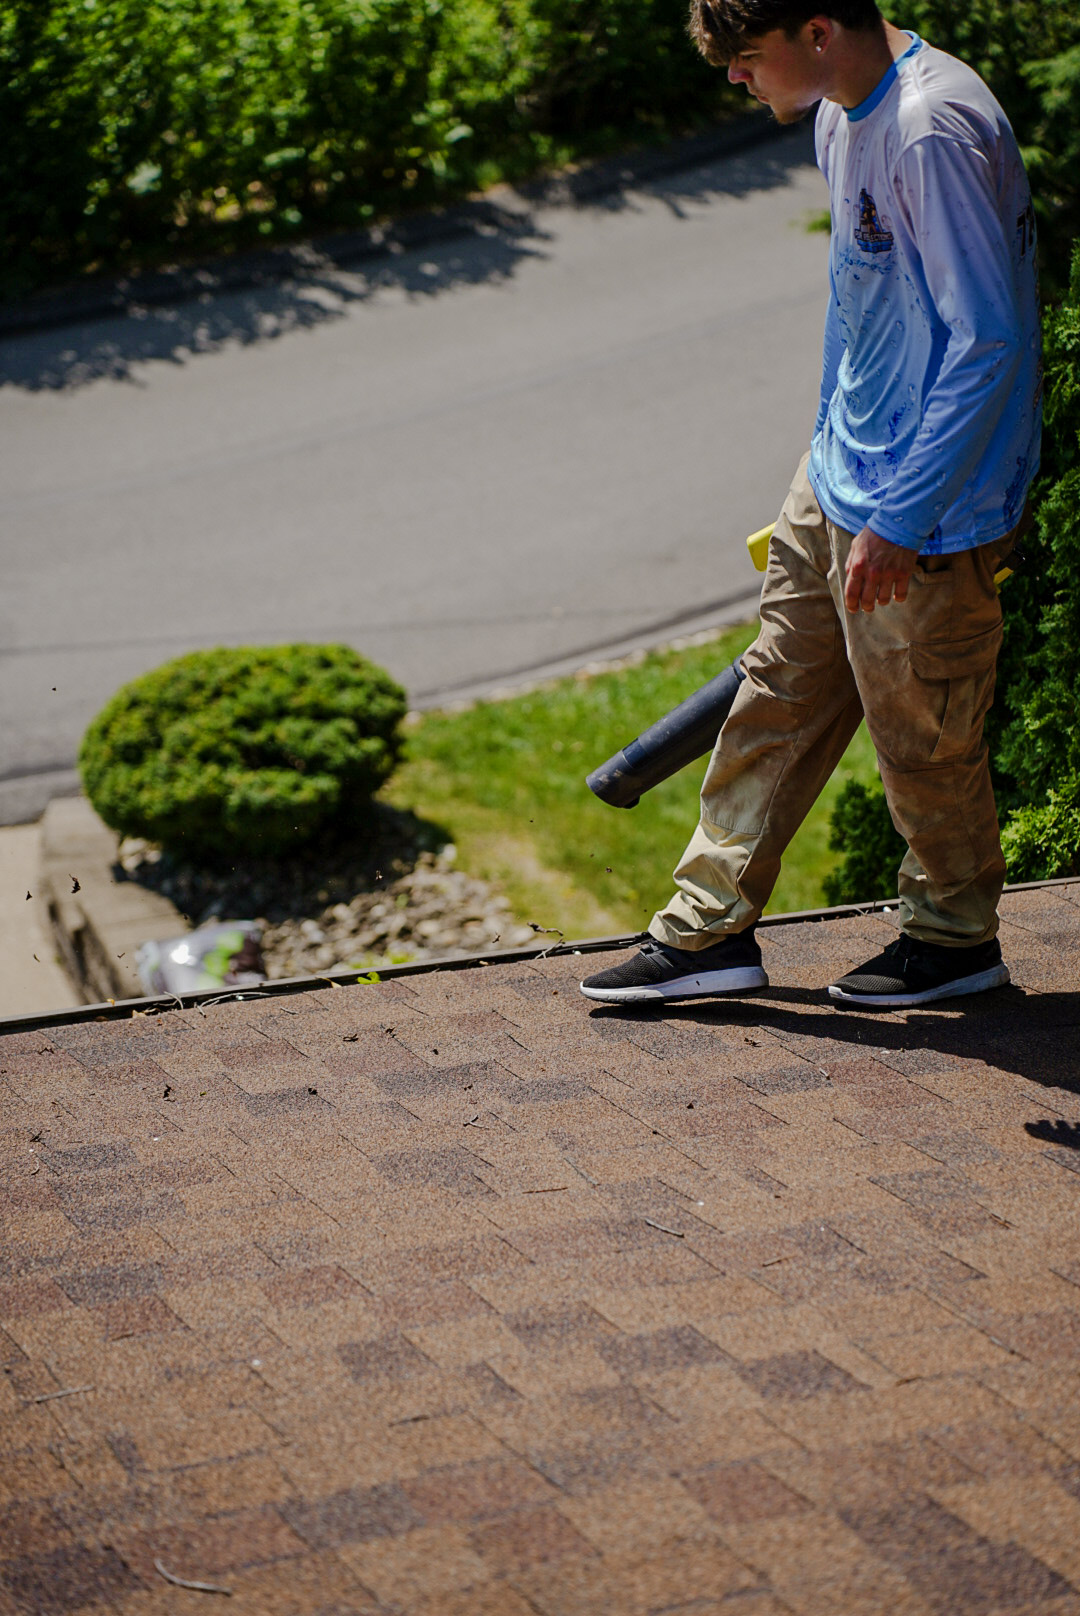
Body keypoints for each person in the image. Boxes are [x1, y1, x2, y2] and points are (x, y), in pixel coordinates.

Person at [581, 0, 1042, 1009]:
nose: (736, 83)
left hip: (930, 508)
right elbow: (860, 295)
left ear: (819, 29)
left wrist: (900, 516)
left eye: (748, 59)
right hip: (841, 474)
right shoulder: (840, 110)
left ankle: (956, 938)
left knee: (923, 736)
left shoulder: (930, 129)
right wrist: (823, 456)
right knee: (774, 696)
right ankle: (708, 931)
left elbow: (988, 340)